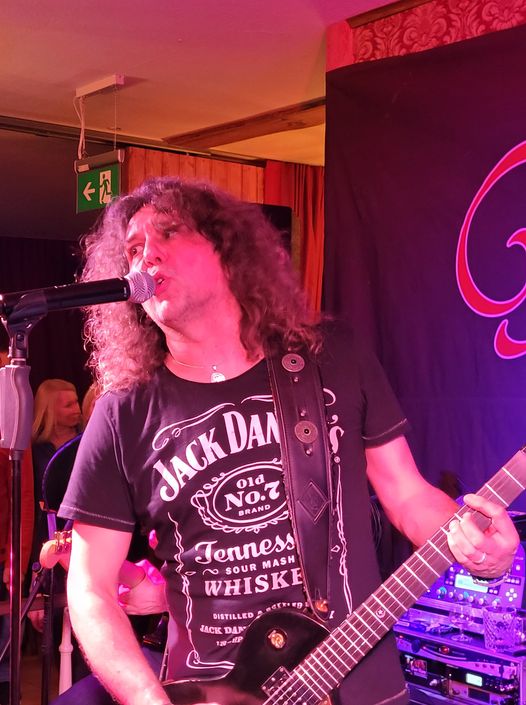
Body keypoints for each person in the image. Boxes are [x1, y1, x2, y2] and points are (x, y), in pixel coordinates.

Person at [57, 177, 519, 705]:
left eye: (168, 232)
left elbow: (408, 496)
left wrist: (479, 549)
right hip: (207, 691)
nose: (147, 256)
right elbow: (90, 588)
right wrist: (146, 699)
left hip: (356, 683)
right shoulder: (123, 412)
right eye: (134, 248)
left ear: (226, 247)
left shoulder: (330, 358)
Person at [0, 331, 35, 705]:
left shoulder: (6, 384)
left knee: (5, 669)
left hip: (1, 560)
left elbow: (22, 494)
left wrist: (17, 561)